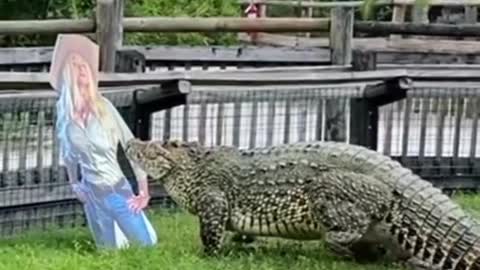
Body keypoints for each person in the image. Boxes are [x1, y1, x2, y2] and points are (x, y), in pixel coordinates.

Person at [49, 34, 158, 249]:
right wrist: (74, 183)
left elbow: (131, 146)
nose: (83, 70)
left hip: (118, 191)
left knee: (146, 246)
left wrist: (144, 191)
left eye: (85, 66)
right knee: (109, 253)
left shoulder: (105, 108)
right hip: (93, 197)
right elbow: (68, 155)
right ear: (67, 74)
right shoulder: (65, 116)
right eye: (76, 66)